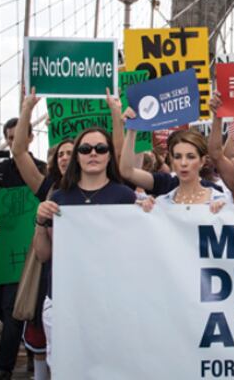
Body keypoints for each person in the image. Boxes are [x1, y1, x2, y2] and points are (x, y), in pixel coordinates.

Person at [34, 128, 136, 369]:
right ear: (77, 156)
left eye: (101, 149)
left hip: (109, 301)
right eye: (85, 149)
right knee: (67, 367)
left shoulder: (126, 197)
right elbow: (43, 254)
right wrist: (39, 222)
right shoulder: (58, 199)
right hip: (65, 300)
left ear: (110, 156)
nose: (93, 154)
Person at [10, 89, 77, 380]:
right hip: (51, 276)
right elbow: (19, 152)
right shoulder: (47, 187)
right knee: (41, 338)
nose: (65, 157)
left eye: (71, 152)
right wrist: (28, 109)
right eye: (60, 153)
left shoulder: (100, 187)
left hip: (87, 277)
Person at [0, 117, 45, 380]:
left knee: (10, 309)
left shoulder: (40, 170)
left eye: (20, 136)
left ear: (31, 138)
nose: (15, 141)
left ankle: (3, 369)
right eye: (10, 137)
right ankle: (32, 339)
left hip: (24, 257)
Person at [138, 129, 230, 211]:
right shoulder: (161, 203)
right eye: (177, 157)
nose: (183, 163)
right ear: (172, 160)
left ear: (202, 161)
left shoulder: (219, 199)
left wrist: (225, 213)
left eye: (191, 157)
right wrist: (143, 211)